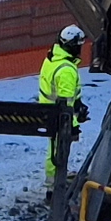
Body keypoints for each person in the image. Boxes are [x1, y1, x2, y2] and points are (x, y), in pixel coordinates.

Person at [38, 26, 87, 203]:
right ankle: (53, 190)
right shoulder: (66, 69)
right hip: (58, 117)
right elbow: (65, 105)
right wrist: (73, 125)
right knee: (57, 152)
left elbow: (69, 96)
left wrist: (79, 103)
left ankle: (54, 186)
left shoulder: (54, 57)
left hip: (49, 111)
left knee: (54, 150)